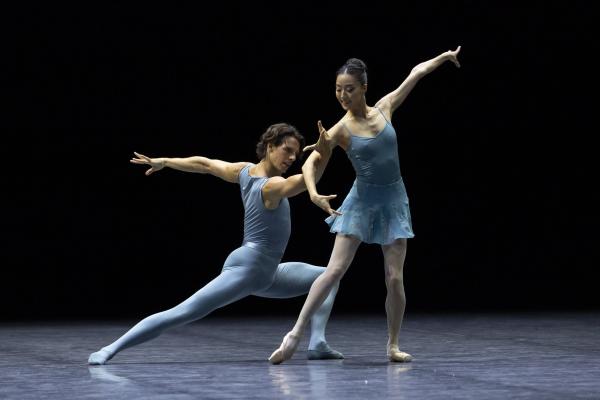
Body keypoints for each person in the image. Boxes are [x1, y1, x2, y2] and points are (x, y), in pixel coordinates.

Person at [88, 123, 343, 365]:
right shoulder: (271, 186)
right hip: (248, 269)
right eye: (287, 150)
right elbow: (305, 181)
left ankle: (317, 343)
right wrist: (325, 152)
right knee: (182, 312)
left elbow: (205, 164)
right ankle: (109, 349)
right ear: (269, 146)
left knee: (328, 277)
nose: (292, 158)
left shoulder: (244, 171)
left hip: (267, 272)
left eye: (296, 154)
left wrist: (165, 161)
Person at [269, 47, 462, 364]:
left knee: (394, 278)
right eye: (338, 89)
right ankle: (294, 335)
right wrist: (314, 193)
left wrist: (443, 57)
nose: (342, 96)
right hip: (361, 200)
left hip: (393, 199)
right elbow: (311, 163)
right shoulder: (340, 129)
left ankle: (393, 344)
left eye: (349, 89)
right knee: (334, 270)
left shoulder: (385, 107)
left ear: (364, 88)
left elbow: (416, 73)